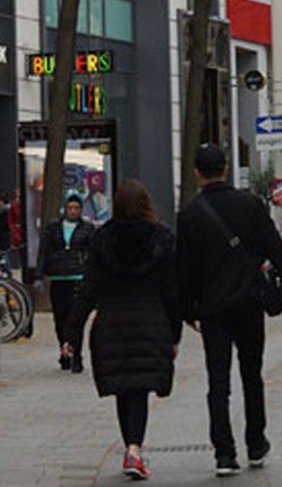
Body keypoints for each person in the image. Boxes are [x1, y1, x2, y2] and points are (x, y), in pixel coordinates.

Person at [177, 144, 282, 477]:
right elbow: (275, 248)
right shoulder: (250, 205)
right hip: (248, 303)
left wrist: (187, 310)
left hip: (211, 309)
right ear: (225, 167)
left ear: (196, 172)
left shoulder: (190, 213)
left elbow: (184, 268)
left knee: (217, 380)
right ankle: (255, 442)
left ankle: (224, 453)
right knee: (252, 374)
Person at [64, 180, 181, 481]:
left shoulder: (102, 239)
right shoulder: (162, 239)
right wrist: (175, 331)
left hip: (112, 323)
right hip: (150, 320)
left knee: (123, 387)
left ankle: (131, 448)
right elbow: (172, 291)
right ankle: (134, 448)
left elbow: (88, 290)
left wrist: (72, 334)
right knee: (139, 389)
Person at [39, 193, 97, 372]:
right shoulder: (53, 228)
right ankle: (64, 351)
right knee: (60, 319)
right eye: (70, 208)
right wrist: (39, 275)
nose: (73, 211)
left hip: (78, 277)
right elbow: (44, 251)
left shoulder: (87, 228)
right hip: (58, 277)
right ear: (65, 209)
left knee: (76, 319)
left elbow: (93, 253)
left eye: (76, 208)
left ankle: (76, 355)